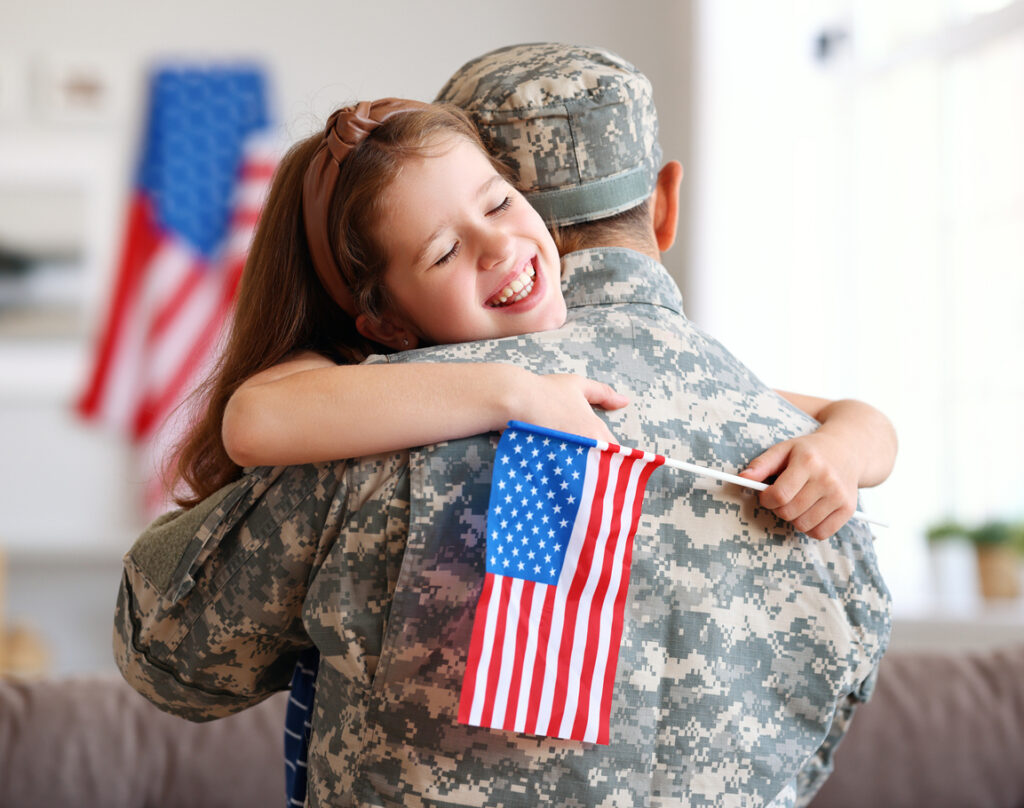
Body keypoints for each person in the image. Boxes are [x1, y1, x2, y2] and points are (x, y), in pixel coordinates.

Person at [115, 44, 894, 808]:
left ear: (525, 201)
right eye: (446, 247)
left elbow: (167, 654)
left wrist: (854, 433)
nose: (492, 243)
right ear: (664, 203)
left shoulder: (366, 431)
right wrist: (847, 443)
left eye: (496, 203)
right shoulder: (787, 451)